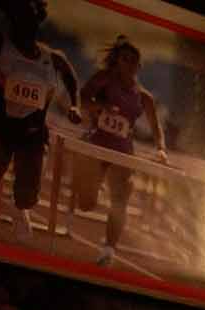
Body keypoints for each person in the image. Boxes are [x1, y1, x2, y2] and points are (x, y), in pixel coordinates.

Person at [0, 0, 82, 246]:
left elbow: (70, 77)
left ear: (39, 19)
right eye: (20, 15)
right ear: (11, 19)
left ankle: (20, 208)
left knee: (27, 197)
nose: (27, 22)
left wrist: (74, 104)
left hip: (32, 135)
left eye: (31, 17)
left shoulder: (52, 58)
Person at [72, 36, 169, 267]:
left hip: (122, 151)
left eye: (134, 61)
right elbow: (84, 98)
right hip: (96, 144)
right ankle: (83, 182)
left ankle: (108, 250)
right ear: (116, 61)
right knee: (86, 203)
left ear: (139, 66)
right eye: (125, 59)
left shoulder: (144, 97)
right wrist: (99, 107)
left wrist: (161, 150)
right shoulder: (104, 79)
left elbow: (156, 128)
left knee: (120, 200)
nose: (129, 65)